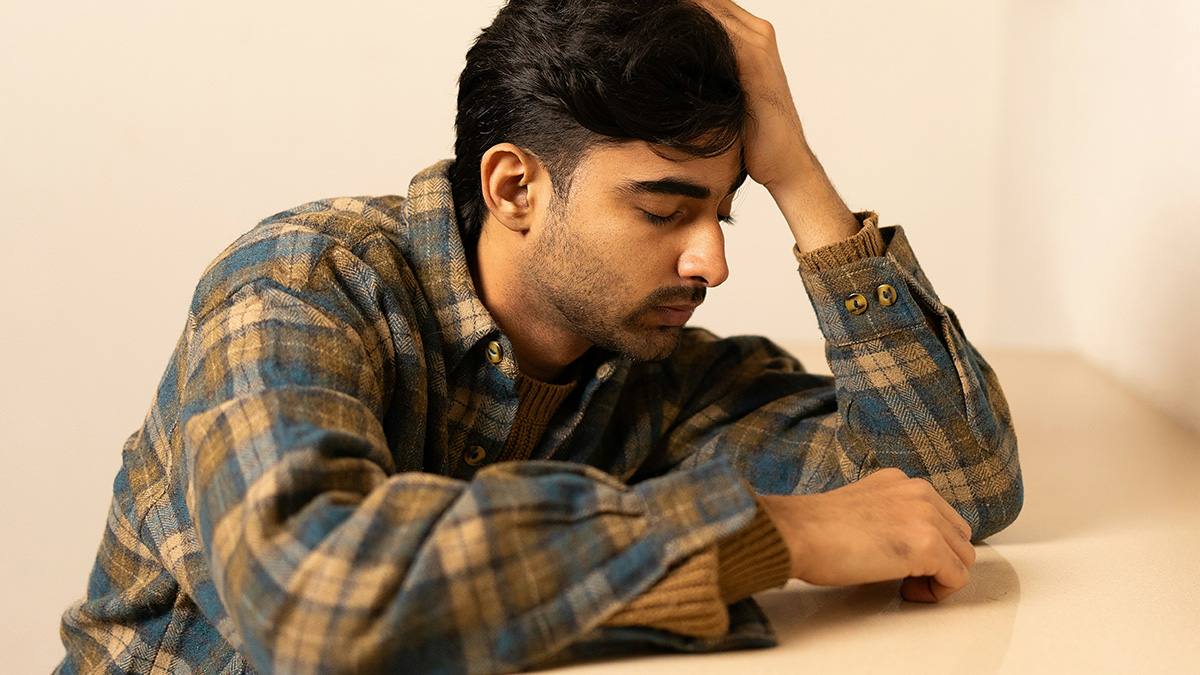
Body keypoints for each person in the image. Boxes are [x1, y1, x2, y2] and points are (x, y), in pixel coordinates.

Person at [56, 0, 1022, 672]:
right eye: (662, 210)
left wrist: (799, 176)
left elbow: (944, 494)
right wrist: (771, 532)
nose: (712, 264)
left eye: (725, 213)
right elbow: (308, 602)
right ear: (514, 186)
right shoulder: (302, 281)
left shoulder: (658, 375)